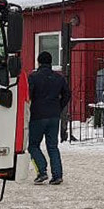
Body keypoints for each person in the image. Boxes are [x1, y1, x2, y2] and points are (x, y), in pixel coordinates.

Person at [29, 51, 71, 185]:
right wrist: (58, 107)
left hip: (37, 115)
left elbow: (28, 95)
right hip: (54, 115)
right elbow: (67, 94)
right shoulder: (59, 78)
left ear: (39, 62)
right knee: (53, 146)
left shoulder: (33, 77)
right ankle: (57, 175)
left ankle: (42, 171)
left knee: (33, 145)